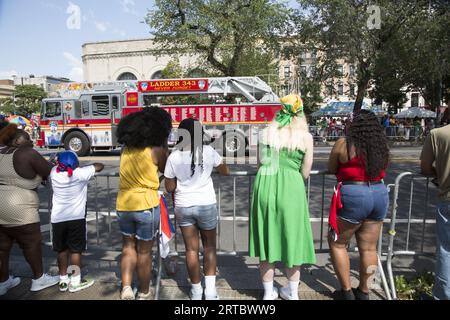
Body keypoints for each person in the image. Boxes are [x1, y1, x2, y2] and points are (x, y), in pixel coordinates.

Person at [249, 94, 316, 300]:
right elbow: (305, 171)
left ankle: (269, 293)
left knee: (267, 242)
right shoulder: (305, 137)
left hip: (265, 184)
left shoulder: (265, 133)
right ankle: (293, 293)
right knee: (292, 239)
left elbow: (260, 164)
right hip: (291, 187)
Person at [327, 110, 390, 300]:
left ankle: (346, 292)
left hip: (354, 194)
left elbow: (332, 168)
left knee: (338, 244)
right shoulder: (381, 146)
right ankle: (364, 292)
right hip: (379, 192)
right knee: (370, 248)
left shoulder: (344, 144)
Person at [164, 118, 229, 300]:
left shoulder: (174, 156)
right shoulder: (208, 151)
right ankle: (210, 292)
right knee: (209, 248)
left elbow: (169, 187)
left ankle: (195, 290)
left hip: (184, 206)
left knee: (191, 250)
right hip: (206, 203)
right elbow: (225, 171)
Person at [115, 107, 172, 300]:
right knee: (144, 252)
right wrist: (165, 148)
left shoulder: (126, 149)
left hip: (124, 204)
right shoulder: (156, 150)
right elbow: (167, 170)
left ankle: (126, 288)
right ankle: (144, 291)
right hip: (146, 205)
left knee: (128, 248)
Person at [0, 122, 59, 296]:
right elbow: (50, 171)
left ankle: (3, 281)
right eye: (26, 138)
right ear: (17, 141)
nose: (31, 141)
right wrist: (51, 163)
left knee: (2, 246)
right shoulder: (27, 153)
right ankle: (39, 278)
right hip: (20, 207)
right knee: (31, 242)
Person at [50, 150, 104, 292]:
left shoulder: (54, 172)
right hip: (76, 218)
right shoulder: (80, 173)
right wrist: (83, 167)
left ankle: (63, 280)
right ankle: (75, 281)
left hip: (58, 218)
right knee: (75, 251)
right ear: (75, 164)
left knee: (61, 250)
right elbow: (99, 165)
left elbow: (53, 163)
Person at [420, 108, 450, 300]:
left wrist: (438, 174)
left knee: (446, 250)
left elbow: (424, 166)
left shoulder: (438, 134)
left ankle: (443, 296)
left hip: (447, 197)